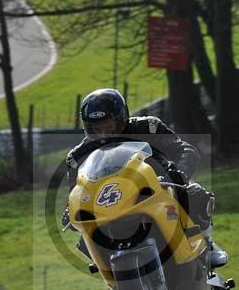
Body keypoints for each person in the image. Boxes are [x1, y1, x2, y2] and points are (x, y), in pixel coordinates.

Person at [64, 88, 227, 267]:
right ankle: (110, 270)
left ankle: (207, 242)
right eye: (96, 128)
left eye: (108, 126)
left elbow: (186, 151)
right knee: (84, 237)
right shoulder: (77, 156)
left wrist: (178, 173)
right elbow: (76, 190)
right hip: (110, 204)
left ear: (121, 118)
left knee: (194, 193)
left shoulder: (148, 127)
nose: (103, 133)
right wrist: (69, 209)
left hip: (155, 187)